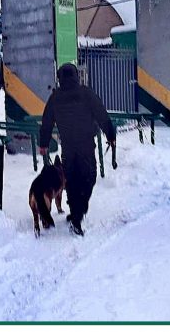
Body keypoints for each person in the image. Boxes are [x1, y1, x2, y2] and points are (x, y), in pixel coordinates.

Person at [38, 63, 116, 236]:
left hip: (68, 148)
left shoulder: (55, 98)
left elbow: (47, 122)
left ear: (59, 78)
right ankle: (78, 215)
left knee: (72, 181)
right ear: (75, 76)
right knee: (89, 178)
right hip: (86, 146)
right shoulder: (86, 94)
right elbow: (102, 114)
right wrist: (110, 134)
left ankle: (75, 212)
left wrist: (43, 143)